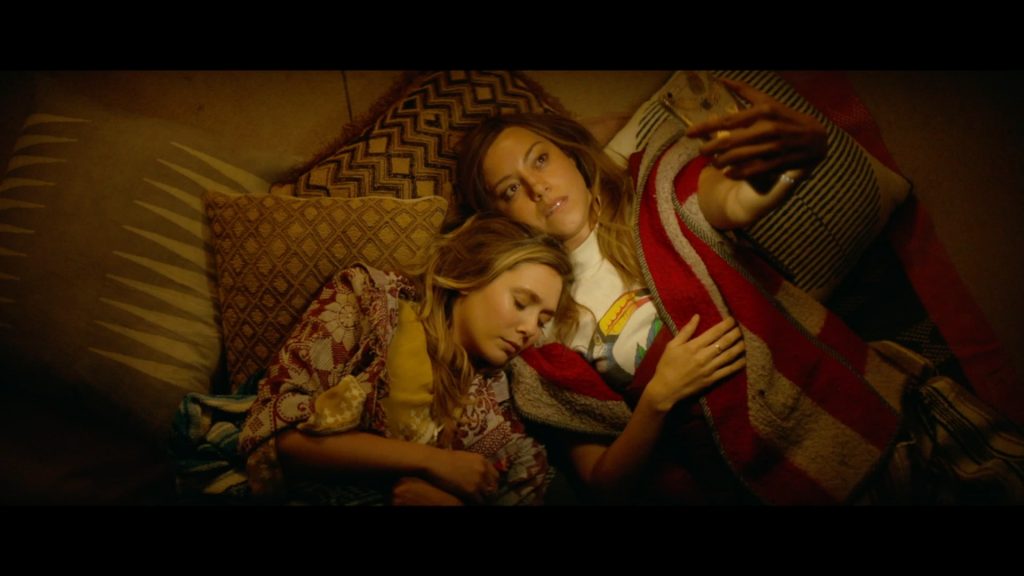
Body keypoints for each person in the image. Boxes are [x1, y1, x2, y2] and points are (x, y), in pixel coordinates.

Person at [454, 77, 1024, 505]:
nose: (537, 186)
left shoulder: (656, 189)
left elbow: (732, 198)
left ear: (569, 154)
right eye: (510, 189)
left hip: (876, 417)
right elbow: (603, 483)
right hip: (765, 485)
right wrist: (658, 398)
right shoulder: (537, 326)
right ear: (500, 218)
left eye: (540, 159)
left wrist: (791, 162)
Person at [229, 214, 578, 505]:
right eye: (520, 303)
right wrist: (432, 461)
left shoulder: (498, 400)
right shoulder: (369, 299)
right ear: (472, 274)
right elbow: (278, 435)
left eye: (542, 321)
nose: (529, 329)